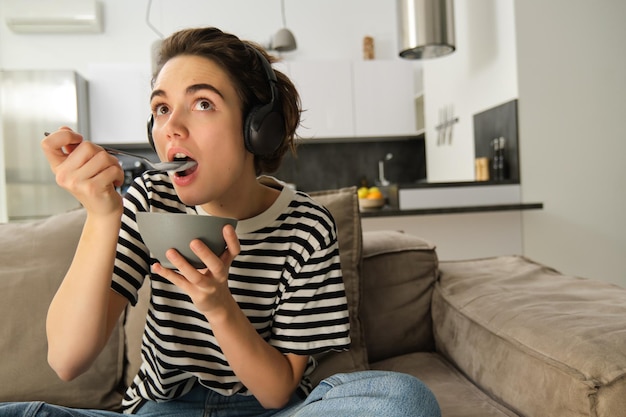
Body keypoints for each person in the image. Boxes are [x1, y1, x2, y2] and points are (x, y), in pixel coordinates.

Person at [1, 27, 441, 417]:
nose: (171, 126)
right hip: (163, 408)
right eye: (161, 109)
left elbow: (274, 393)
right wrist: (102, 216)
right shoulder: (150, 200)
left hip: (269, 412)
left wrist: (218, 306)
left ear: (257, 129)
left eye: (203, 103)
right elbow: (66, 359)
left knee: (401, 399)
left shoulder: (307, 226)